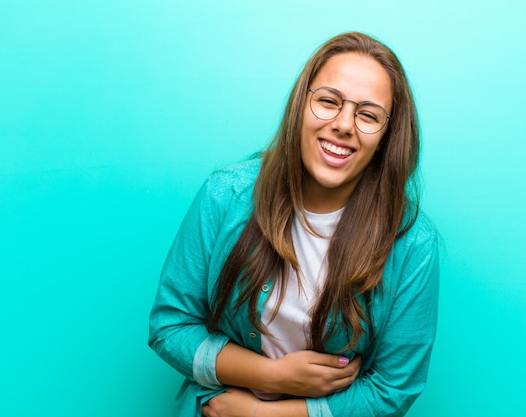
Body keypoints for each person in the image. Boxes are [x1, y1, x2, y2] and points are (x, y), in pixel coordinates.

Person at [148, 31, 439, 417]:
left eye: (368, 115)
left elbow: (393, 388)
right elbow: (170, 327)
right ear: (301, 105)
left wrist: (260, 414)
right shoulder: (225, 195)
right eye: (328, 102)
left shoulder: (414, 245)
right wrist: (272, 376)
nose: (343, 124)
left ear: (387, 136)